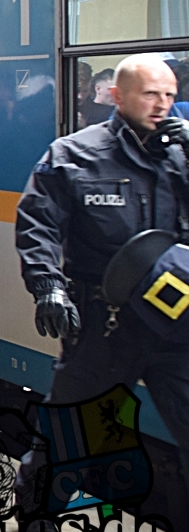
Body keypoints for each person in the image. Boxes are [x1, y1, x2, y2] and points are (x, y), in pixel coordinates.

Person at [14, 54, 189, 508]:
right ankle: (39, 512)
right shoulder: (74, 155)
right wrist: (47, 285)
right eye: (151, 93)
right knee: (76, 430)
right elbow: (38, 225)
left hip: (176, 323)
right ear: (118, 95)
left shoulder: (180, 155)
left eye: (170, 95)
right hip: (105, 324)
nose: (162, 104)